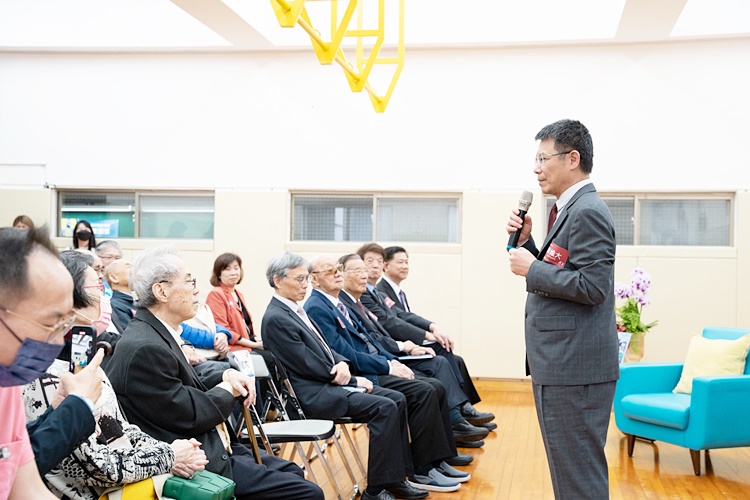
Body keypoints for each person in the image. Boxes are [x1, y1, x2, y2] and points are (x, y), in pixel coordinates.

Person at [105, 246, 323, 500]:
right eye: (189, 281)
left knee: (294, 472)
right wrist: (228, 388)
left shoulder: (155, 333)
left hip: (215, 445)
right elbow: (192, 415)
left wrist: (225, 376)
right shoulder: (145, 346)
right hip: (196, 464)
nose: (196, 289)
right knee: (308, 493)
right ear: (161, 291)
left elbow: (188, 378)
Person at [22, 247, 207, 500]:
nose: (104, 296)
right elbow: (96, 467)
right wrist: (170, 456)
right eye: (98, 287)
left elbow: (118, 428)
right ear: (67, 299)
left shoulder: (87, 360)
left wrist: (170, 450)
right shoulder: (45, 375)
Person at [506, 119, 619, 500]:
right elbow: (565, 269)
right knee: (571, 474)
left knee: (578, 477)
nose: (536, 169)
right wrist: (530, 245)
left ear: (573, 159)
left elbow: (593, 287)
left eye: (543, 158)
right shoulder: (569, 209)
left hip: (575, 370)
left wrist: (532, 269)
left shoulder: (587, 210)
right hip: (563, 366)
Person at [261, 252, 428, 500]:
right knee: (384, 407)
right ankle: (375, 491)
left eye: (306, 278)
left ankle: (395, 478)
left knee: (396, 399)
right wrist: (352, 379)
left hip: (326, 383)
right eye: (299, 279)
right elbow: (306, 364)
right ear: (277, 281)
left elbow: (326, 349)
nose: (305, 284)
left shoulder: (294, 310)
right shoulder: (277, 317)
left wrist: (342, 363)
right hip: (311, 395)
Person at [304, 255, 468, 492]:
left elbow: (370, 339)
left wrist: (392, 360)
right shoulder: (317, 307)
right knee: (424, 390)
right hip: (362, 373)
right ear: (314, 280)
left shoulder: (336, 303)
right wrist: (388, 366)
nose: (337, 273)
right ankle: (422, 469)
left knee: (435, 385)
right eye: (330, 271)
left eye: (338, 269)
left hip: (375, 365)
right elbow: (346, 354)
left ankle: (436, 460)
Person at [338, 254, 486, 453]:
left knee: (444, 360)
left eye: (374, 264)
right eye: (363, 267)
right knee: (433, 377)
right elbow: (384, 329)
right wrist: (399, 352)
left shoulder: (370, 295)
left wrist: (425, 332)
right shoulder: (353, 300)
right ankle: (454, 424)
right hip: (375, 366)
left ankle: (458, 417)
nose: (369, 270)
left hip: (387, 355)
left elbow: (395, 320)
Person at [0, 226, 80, 499]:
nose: (58, 342)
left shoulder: (6, 386)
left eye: (65, 324)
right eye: (51, 323)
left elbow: (28, 489)